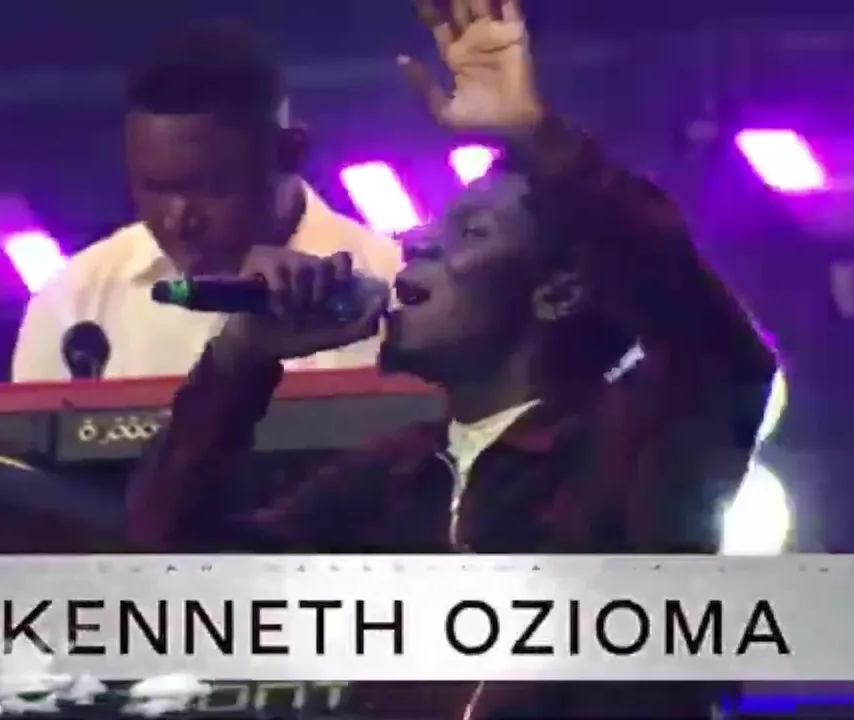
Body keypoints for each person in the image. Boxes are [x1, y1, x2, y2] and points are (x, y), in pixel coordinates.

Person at [127, 0, 776, 717]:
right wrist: (242, 358)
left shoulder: (637, 442)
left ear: (559, 292)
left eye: (470, 231)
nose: (417, 240)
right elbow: (181, 579)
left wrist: (536, 135)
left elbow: (707, 335)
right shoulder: (390, 479)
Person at [11, 23, 403, 382]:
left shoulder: (394, 290)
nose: (177, 219)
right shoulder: (75, 302)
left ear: (290, 153)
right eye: (153, 188)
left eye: (210, 188)